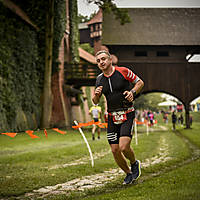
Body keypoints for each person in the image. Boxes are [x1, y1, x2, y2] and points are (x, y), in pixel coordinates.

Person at [92, 50, 144, 184]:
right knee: (115, 150)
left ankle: (134, 162)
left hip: (127, 113)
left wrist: (132, 92)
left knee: (123, 147)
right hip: (111, 117)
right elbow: (95, 101)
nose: (101, 62)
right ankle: (128, 173)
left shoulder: (123, 71)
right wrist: (96, 95)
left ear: (110, 60)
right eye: (98, 61)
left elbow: (140, 83)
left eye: (103, 59)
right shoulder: (99, 79)